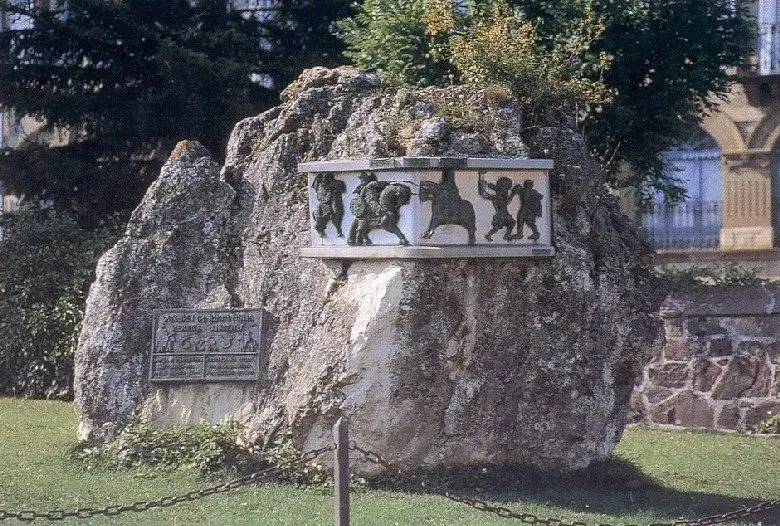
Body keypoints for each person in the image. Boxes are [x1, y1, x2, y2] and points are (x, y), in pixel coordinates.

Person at [477, 170, 515, 242]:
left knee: (511, 224)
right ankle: (489, 235)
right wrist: (482, 179)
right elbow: (484, 194)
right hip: (500, 215)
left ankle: (506, 235)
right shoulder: (497, 197)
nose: (506, 191)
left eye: (506, 189)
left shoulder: (502, 196)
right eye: (505, 189)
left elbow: (507, 201)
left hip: (505, 214)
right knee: (496, 228)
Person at [311, 173, 346, 238]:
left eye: (325, 181)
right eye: (323, 181)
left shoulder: (336, 184)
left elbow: (341, 188)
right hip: (324, 203)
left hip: (333, 202)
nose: (324, 182)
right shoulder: (319, 184)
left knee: (336, 211)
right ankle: (320, 229)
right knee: (317, 212)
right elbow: (318, 192)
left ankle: (339, 230)